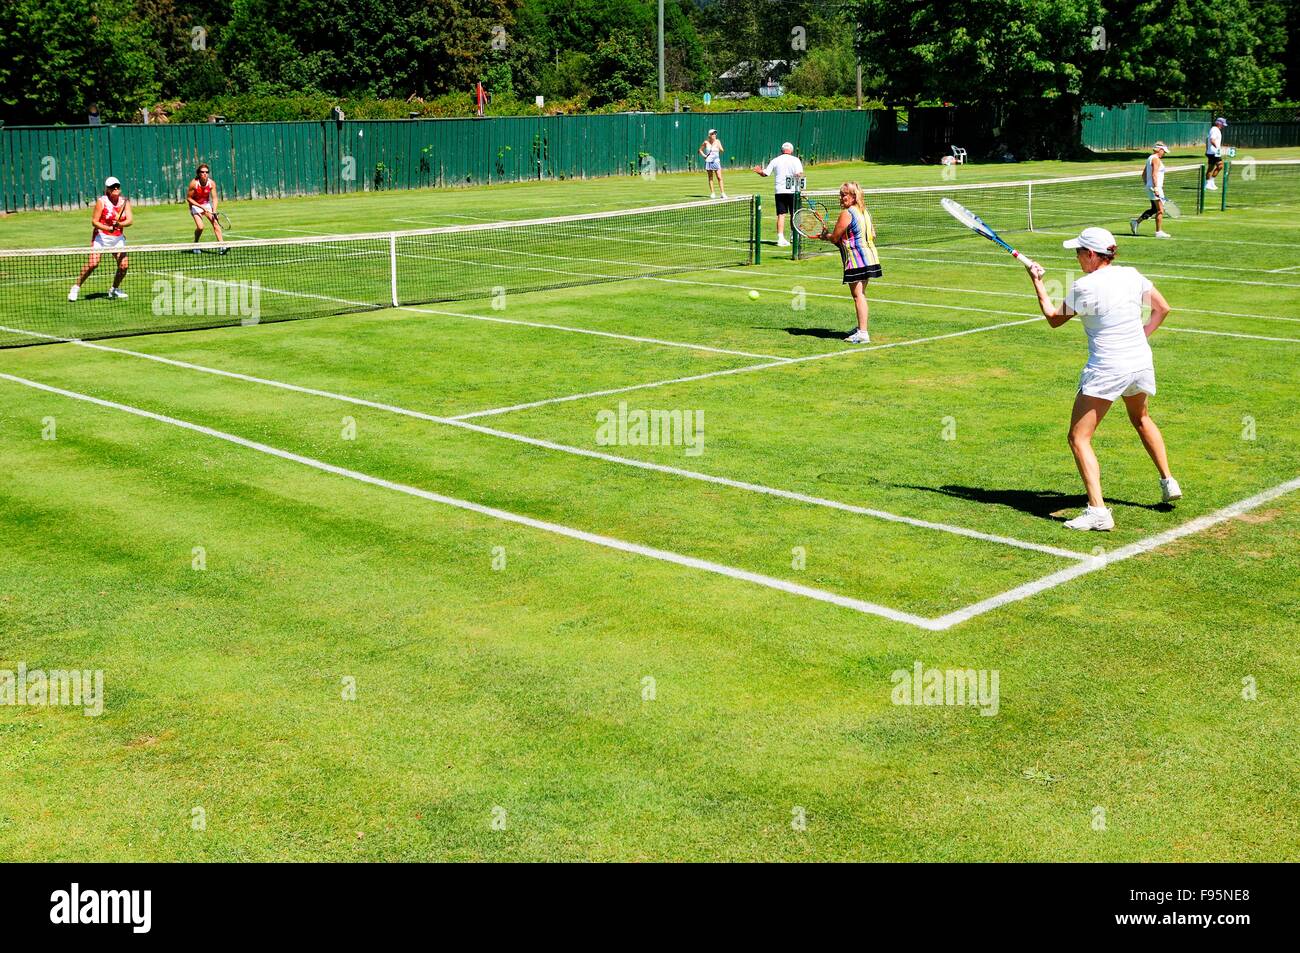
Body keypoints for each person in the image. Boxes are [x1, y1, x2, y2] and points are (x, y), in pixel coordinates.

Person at [1025, 227, 1182, 531]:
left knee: (1078, 437)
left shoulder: (1084, 287)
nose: (1077, 257)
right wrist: (1141, 336)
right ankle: (1168, 481)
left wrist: (1038, 282)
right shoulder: (1132, 275)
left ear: (1093, 255)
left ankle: (1098, 511)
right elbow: (1163, 309)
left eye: (1079, 252)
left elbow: (1053, 319)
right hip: (1139, 361)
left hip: (1108, 368)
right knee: (1141, 418)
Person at [807, 181, 881, 343]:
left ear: (853, 196)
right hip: (870, 257)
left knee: (858, 295)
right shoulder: (865, 212)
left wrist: (824, 236)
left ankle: (863, 333)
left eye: (844, 195)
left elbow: (835, 238)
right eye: (841, 195)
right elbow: (873, 234)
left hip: (856, 259)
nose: (841, 198)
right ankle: (861, 328)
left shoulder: (847, 214)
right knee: (861, 294)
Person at [68, 176, 132, 302]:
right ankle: (76, 287)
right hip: (101, 237)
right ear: (107, 189)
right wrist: (108, 228)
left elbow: (130, 221)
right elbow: (94, 222)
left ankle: (114, 289)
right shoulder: (101, 202)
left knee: (124, 266)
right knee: (93, 264)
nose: (115, 188)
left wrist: (119, 225)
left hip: (117, 238)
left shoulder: (125, 202)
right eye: (112, 186)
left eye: (117, 186)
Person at [752, 142, 803, 247]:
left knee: (781, 215)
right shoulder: (796, 160)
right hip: (793, 191)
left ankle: (780, 238)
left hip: (779, 191)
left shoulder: (775, 160)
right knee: (795, 214)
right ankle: (794, 236)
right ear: (791, 151)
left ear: (781, 150)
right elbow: (800, 175)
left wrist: (758, 171)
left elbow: (765, 173)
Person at [1131, 141, 1172, 238]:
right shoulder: (1156, 159)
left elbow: (1143, 174)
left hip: (1151, 187)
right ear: (1160, 150)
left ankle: (1136, 222)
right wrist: (1156, 188)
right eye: (1164, 151)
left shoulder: (1150, 158)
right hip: (1155, 187)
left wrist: (1148, 185)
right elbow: (1154, 174)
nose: (1164, 153)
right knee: (1160, 210)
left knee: (1154, 209)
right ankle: (1158, 232)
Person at [187, 163, 226, 251]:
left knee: (216, 224)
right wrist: (200, 207)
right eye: (202, 172)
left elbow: (215, 198)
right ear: (198, 173)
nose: (205, 174)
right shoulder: (194, 183)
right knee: (200, 227)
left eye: (206, 172)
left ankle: (222, 246)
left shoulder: (211, 183)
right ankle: (195, 245)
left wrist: (214, 210)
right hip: (195, 205)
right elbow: (189, 198)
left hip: (207, 205)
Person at [699, 129, 726, 199]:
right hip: (709, 162)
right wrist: (704, 156)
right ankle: (713, 193)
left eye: (715, 134)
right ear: (709, 135)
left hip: (716, 161)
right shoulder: (706, 142)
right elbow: (700, 150)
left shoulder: (717, 141)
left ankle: (723, 193)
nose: (714, 135)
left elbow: (722, 150)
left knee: (719, 177)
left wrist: (718, 148)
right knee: (710, 178)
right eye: (713, 134)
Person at [1204, 117, 1227, 191]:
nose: (1223, 126)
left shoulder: (1216, 130)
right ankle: (1209, 183)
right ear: (1218, 123)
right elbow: (1212, 140)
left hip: (1213, 152)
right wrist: (1218, 148)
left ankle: (1209, 183)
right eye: (1222, 124)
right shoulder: (1214, 129)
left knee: (1212, 167)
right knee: (1220, 166)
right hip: (1213, 152)